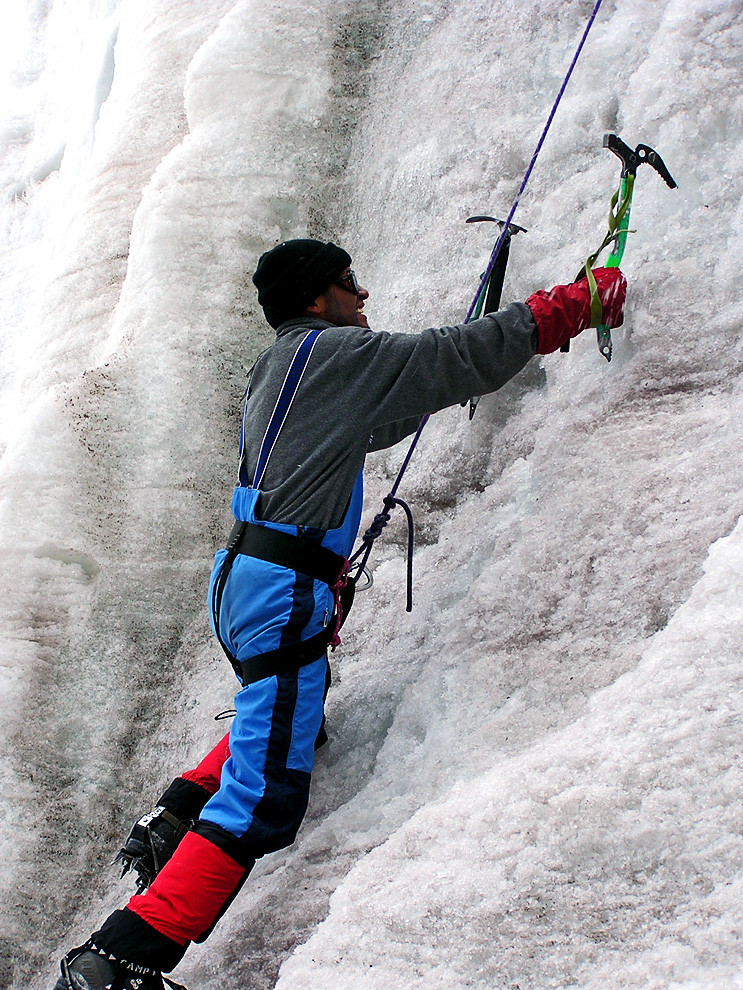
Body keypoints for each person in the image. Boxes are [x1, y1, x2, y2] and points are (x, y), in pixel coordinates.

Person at [54, 239, 626, 989]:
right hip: (280, 587)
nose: (363, 296)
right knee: (265, 794)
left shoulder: (282, 363)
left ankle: (178, 815)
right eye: (350, 283)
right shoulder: (333, 353)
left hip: (250, 578)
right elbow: (457, 355)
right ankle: (120, 957)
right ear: (316, 298)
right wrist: (574, 304)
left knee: (289, 715)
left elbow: (372, 422)